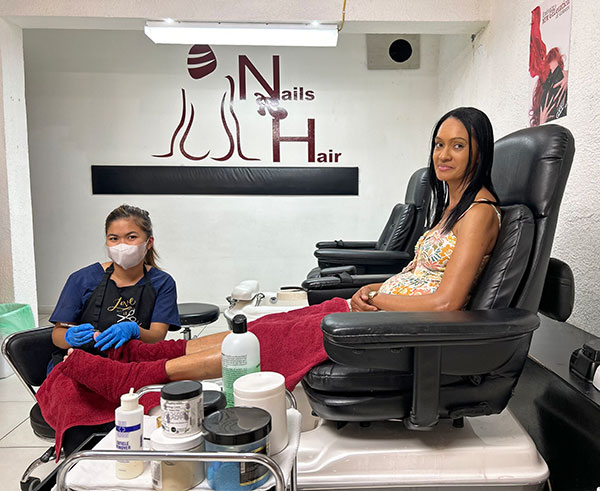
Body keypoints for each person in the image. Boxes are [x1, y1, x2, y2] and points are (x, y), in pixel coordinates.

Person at [37, 107, 502, 451]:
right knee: (264, 328)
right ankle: (152, 351)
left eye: (457, 145)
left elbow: (445, 304)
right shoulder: (450, 209)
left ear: (479, 150)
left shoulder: (480, 213)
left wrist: (379, 299)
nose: (443, 154)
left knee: (269, 345)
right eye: (439, 143)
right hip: (379, 312)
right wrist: (375, 291)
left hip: (394, 328)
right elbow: (420, 275)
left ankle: (138, 375)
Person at [48, 204, 180, 371]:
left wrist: (135, 330)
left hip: (133, 365)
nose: (122, 245)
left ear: (149, 242)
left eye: (131, 237)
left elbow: (157, 337)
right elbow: (57, 335)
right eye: (114, 238)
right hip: (81, 363)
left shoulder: (162, 283)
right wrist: (70, 337)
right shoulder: (81, 279)